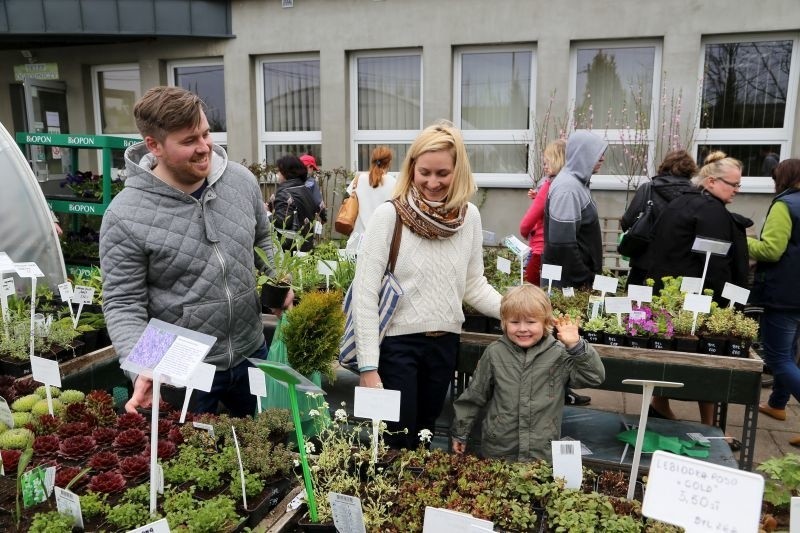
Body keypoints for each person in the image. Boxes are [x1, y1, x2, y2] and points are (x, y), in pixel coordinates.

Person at [99, 86, 287, 418]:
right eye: (189, 141)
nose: (204, 148)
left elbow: (263, 241)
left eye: (206, 133)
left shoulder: (241, 181)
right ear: (154, 145)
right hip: (179, 368)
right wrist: (143, 366)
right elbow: (123, 303)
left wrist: (280, 285)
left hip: (251, 349)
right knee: (189, 463)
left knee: (266, 451)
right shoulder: (125, 214)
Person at [354, 120, 502, 450]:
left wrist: (518, 312)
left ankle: (412, 501)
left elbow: (474, 285)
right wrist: (368, 367)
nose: (432, 182)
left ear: (458, 170)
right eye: (425, 172)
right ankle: (387, 501)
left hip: (444, 345)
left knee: (424, 436)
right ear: (412, 169)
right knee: (396, 441)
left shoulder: (469, 218)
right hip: (397, 348)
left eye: (442, 173)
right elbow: (365, 293)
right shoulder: (389, 216)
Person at [645, 151, 750, 426]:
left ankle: (660, 405)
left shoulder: (680, 202)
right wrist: (726, 306)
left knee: (668, 358)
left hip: (669, 295)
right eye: (733, 184)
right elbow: (716, 265)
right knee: (707, 363)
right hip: (698, 301)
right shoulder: (712, 212)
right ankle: (710, 425)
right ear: (712, 181)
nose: (737, 190)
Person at [451, 284, 605, 461]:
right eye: (514, 322)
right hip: (499, 447)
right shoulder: (495, 353)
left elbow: (594, 377)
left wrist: (576, 346)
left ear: (546, 322)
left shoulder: (559, 354)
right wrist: (460, 432)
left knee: (535, 488)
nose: (522, 328)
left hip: (541, 450)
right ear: (504, 323)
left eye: (531, 322)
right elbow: (474, 395)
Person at [747, 159, 800, 446]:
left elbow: (771, 249)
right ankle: (778, 404)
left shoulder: (785, 205)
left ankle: (779, 401)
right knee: (789, 351)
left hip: (784, 293)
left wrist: (743, 241)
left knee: (778, 358)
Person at [620, 150, 698, 286]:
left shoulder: (648, 188)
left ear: (665, 166)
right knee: (672, 305)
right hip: (680, 266)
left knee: (635, 305)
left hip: (644, 262)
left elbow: (628, 220)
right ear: (690, 169)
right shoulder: (696, 194)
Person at [542, 130, 607, 289]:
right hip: (569, 285)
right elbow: (563, 245)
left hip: (572, 281)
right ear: (582, 154)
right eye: (597, 153)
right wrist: (585, 278)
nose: (602, 158)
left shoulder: (577, 184)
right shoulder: (568, 189)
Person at [519, 139, 566, 286]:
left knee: (531, 289)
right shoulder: (567, 186)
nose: (544, 166)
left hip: (540, 249)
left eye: (546, 162)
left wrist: (524, 232)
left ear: (556, 161)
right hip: (559, 249)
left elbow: (528, 221)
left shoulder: (549, 186)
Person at [345, 146, 397, 252]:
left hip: (357, 240)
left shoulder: (359, 179)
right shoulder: (393, 182)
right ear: (389, 162)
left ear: (372, 160)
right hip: (381, 241)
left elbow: (347, 199)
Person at [270, 155, 320, 252]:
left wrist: (266, 215)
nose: (278, 174)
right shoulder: (305, 189)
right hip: (305, 245)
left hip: (289, 250)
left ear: (286, 173)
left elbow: (282, 222)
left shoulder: (285, 192)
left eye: (279, 171)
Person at [299, 153, 328, 223]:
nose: (313, 171)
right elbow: (318, 202)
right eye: (313, 168)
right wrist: (323, 217)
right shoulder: (311, 182)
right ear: (309, 167)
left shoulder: (291, 180)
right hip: (307, 220)